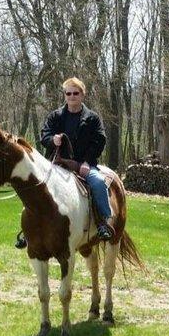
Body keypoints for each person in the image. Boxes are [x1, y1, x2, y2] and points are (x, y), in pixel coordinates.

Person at [15, 77, 112, 249]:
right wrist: (53, 140)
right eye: (68, 93)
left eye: (76, 93)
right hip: (56, 164)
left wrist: (87, 162)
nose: (72, 96)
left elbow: (99, 141)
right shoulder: (55, 116)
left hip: (83, 164)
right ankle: (28, 230)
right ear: (64, 95)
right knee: (35, 186)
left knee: (97, 182)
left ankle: (103, 222)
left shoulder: (92, 118)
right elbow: (44, 136)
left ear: (82, 95)